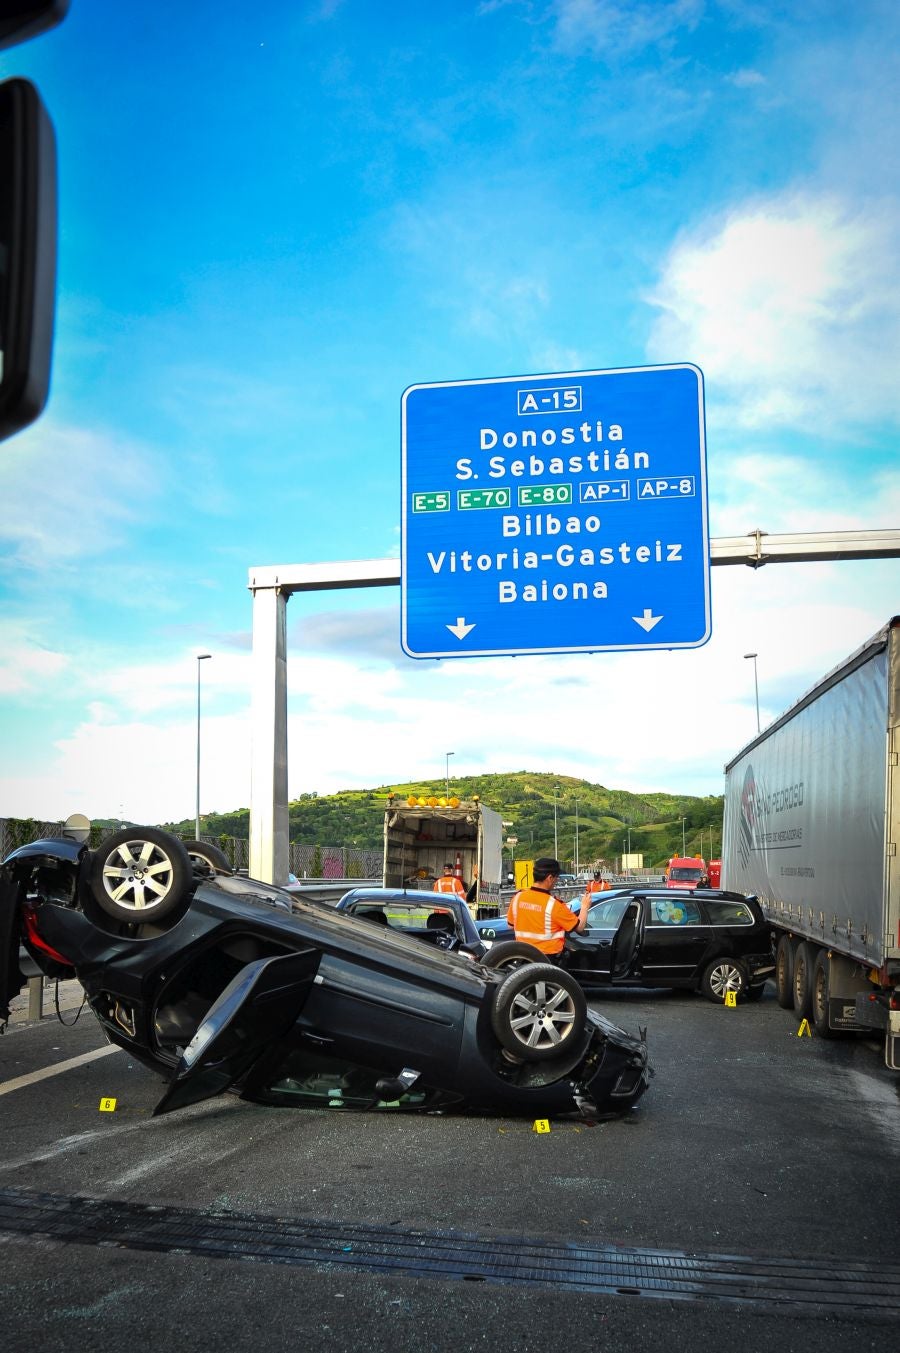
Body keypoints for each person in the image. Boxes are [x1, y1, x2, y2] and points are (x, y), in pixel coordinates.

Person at [507, 857, 590, 960]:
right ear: (550, 878)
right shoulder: (554, 905)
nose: (556, 881)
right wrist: (585, 906)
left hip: (523, 959)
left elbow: (511, 925)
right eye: (556, 878)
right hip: (548, 962)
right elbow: (580, 927)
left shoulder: (517, 897)